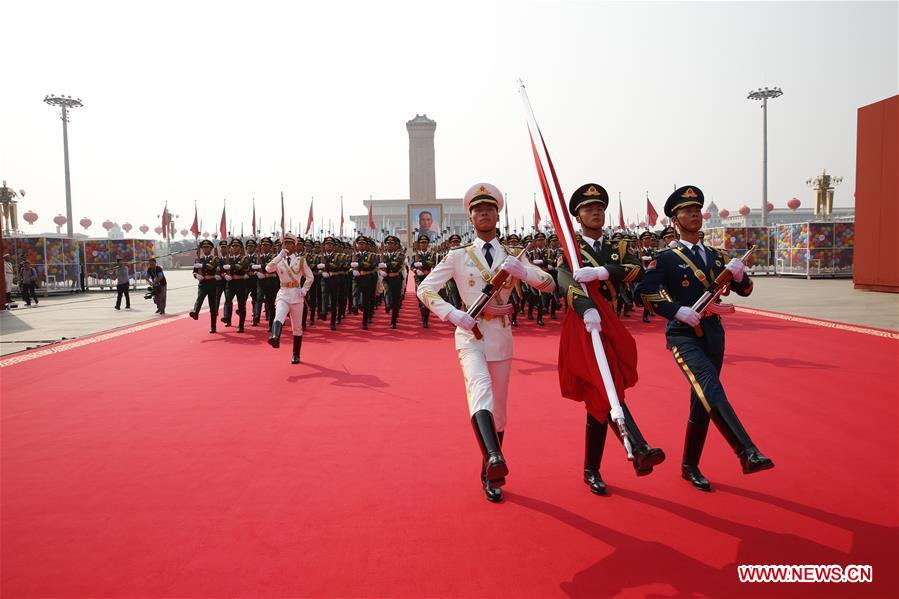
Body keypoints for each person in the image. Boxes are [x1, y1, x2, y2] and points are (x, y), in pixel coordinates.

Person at [417, 183, 555, 503]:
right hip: (469, 332)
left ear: (497, 216)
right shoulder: (457, 256)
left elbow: (547, 284)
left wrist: (524, 272)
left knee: (500, 412)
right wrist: (453, 314)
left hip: (501, 335)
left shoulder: (510, 256)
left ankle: (488, 469)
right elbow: (425, 289)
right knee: (479, 391)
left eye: (489, 210)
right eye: (478, 210)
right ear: (471, 218)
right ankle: (496, 458)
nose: (484, 214)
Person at [637, 185, 773, 492]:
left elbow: (746, 290)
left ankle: (689, 466)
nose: (695, 214)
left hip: (713, 334)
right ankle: (746, 450)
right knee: (710, 386)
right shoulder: (667, 258)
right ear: (675, 219)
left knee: (702, 401)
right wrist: (676, 310)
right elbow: (643, 292)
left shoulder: (716, 255)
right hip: (683, 335)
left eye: (697, 209)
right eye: (687, 211)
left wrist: (739, 276)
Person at [556, 182, 664, 496]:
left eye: (600, 208)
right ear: (578, 217)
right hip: (585, 325)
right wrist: (585, 306)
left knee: (600, 399)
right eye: (589, 209)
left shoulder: (620, 244)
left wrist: (602, 272)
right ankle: (639, 447)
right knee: (608, 387)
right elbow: (564, 277)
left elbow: (635, 270)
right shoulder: (571, 247)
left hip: (613, 321)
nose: (596, 212)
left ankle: (592, 469)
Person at [266, 233, 314, 364]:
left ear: (295, 246)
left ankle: (296, 354)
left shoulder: (301, 260)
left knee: (297, 328)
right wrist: (279, 256)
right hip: (283, 294)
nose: (287, 246)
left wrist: (304, 290)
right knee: (279, 315)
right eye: (284, 243)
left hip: (296, 296)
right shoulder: (279, 259)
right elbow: (268, 268)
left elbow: (310, 277)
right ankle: (275, 337)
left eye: (289, 244)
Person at [189, 239, 222, 333]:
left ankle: (213, 326)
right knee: (199, 299)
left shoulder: (215, 258)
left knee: (212, 306)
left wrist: (202, 265)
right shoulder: (198, 259)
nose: (205, 249)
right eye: (203, 248)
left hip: (212, 283)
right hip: (203, 283)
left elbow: (212, 266)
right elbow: (194, 271)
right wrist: (196, 275)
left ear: (211, 248)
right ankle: (195, 312)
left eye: (207, 247)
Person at [221, 238, 252, 332]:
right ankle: (226, 317)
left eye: (236, 246)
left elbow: (243, 266)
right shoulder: (227, 259)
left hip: (240, 283)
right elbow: (221, 270)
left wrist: (231, 267)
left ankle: (241, 325)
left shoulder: (244, 258)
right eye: (233, 246)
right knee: (228, 300)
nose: (234, 248)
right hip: (230, 283)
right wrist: (225, 275)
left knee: (241, 305)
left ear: (240, 248)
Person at [378, 235, 406, 329]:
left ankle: (393, 321)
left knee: (396, 301)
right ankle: (387, 304)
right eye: (388, 243)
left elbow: (395, 264)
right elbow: (379, 264)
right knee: (386, 291)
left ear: (395, 245)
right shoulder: (383, 254)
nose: (389, 245)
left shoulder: (400, 254)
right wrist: (383, 267)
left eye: (391, 243)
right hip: (387, 278)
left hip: (397, 278)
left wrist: (384, 265)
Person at [412, 233, 437, 328]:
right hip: (419, 279)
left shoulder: (432, 254)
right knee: (420, 299)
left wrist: (423, 266)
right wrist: (416, 270)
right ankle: (423, 314)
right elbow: (412, 266)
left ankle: (425, 320)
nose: (423, 244)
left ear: (427, 244)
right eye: (421, 243)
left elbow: (433, 264)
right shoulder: (415, 255)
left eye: (425, 243)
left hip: (429, 279)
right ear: (419, 244)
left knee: (427, 301)